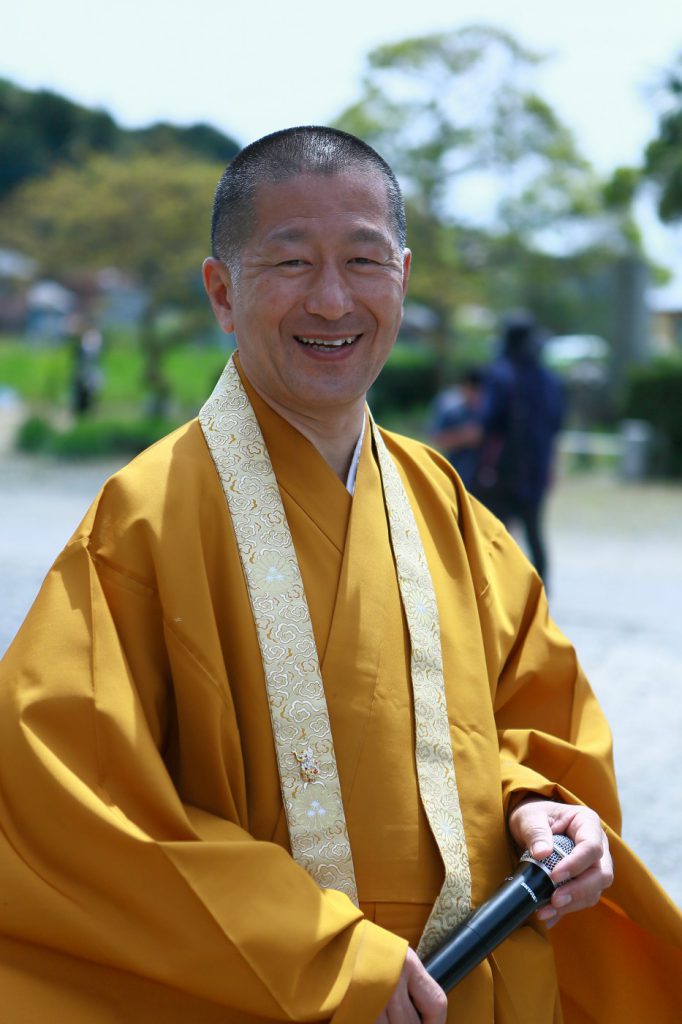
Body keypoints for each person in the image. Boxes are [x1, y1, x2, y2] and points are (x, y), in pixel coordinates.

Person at [0, 127, 680, 1024]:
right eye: (290, 262)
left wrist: (545, 810)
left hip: (472, 985)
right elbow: (73, 803)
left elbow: (536, 723)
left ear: (402, 276)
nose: (331, 299)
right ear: (222, 292)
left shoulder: (445, 504)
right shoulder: (147, 517)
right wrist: (316, 954)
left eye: (363, 261)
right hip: (268, 996)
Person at [472, 313, 565, 584]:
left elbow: (488, 420)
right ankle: (541, 593)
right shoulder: (550, 380)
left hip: (503, 468)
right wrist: (551, 465)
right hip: (537, 466)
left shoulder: (501, 374)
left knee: (496, 532)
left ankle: (499, 590)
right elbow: (556, 425)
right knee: (534, 532)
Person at [428, 367, 485, 490]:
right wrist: (464, 437)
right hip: (452, 475)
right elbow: (436, 439)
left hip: (480, 480)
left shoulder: (486, 409)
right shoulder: (449, 407)